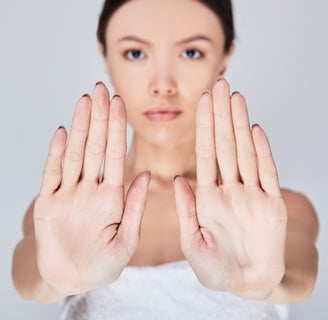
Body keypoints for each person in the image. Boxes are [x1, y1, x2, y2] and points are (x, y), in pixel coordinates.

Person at [12, 0, 319, 319]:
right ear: (105, 57)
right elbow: (26, 277)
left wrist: (267, 284)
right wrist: (50, 280)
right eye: (135, 53)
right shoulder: (65, 212)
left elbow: (299, 275)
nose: (163, 85)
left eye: (191, 52)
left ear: (224, 59)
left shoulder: (274, 210)